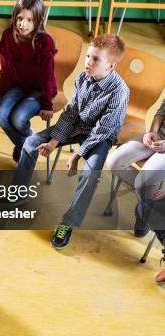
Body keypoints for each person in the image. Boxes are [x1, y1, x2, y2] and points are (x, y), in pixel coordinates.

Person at [8, 34, 129, 250]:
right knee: (29, 143)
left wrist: (77, 155)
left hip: (100, 137)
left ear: (111, 66)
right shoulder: (83, 78)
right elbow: (72, 113)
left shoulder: (119, 92)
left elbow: (102, 130)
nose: (88, 63)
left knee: (89, 174)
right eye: (88, 56)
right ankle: (18, 195)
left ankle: (68, 223)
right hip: (78, 125)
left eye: (95, 60)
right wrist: (54, 141)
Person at [107, 98, 165, 285]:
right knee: (115, 161)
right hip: (159, 136)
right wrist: (152, 132)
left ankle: (145, 213)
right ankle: (146, 205)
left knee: (143, 181)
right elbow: (161, 111)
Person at [0, 0, 57, 164]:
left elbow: (47, 75)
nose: (23, 24)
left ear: (39, 20)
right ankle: (27, 143)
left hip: (39, 90)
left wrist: (46, 103)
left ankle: (24, 145)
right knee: (0, 115)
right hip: (18, 87)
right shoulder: (8, 37)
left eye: (30, 20)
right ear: (14, 17)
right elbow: (5, 70)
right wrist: (1, 94)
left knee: (18, 118)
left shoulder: (45, 42)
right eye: (20, 18)